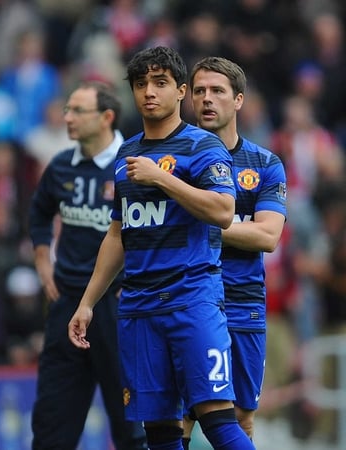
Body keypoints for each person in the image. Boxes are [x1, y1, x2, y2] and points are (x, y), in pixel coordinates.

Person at [68, 46, 256, 450]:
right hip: (138, 309)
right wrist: (86, 302)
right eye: (140, 84)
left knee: (219, 422)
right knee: (159, 435)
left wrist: (163, 179)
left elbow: (224, 211)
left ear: (180, 91)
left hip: (192, 301)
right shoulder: (126, 153)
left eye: (159, 83)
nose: (149, 93)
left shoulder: (203, 147)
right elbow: (118, 233)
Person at [28, 81, 147, 449]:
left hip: (118, 305)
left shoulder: (135, 166)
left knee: (131, 424)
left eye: (77, 111)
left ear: (107, 117)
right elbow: (38, 214)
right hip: (66, 303)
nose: (67, 118)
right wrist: (43, 262)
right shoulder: (61, 166)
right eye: (67, 109)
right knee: (51, 424)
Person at [182, 57, 287, 447]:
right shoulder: (174, 161)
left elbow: (268, 237)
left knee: (240, 420)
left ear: (238, 100)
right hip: (185, 299)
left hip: (243, 303)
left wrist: (205, 220)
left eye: (217, 91)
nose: (207, 100)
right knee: (178, 422)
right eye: (199, 91)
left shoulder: (264, 164)